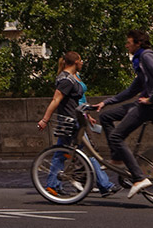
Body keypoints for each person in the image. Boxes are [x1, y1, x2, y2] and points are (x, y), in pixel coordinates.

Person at [97, 29, 153, 197]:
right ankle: (118, 158)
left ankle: (139, 178)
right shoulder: (140, 60)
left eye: (129, 42)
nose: (126, 46)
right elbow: (132, 90)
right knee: (106, 116)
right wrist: (106, 102)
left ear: (138, 43)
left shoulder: (147, 56)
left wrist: (150, 99)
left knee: (116, 137)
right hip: (146, 104)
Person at [37, 51, 117, 196]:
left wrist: (87, 113)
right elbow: (56, 100)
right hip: (70, 121)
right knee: (88, 153)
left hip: (73, 119)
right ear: (75, 62)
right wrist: (45, 119)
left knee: (61, 153)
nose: (82, 63)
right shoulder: (66, 80)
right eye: (81, 61)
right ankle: (104, 185)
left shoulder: (71, 78)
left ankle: (52, 185)